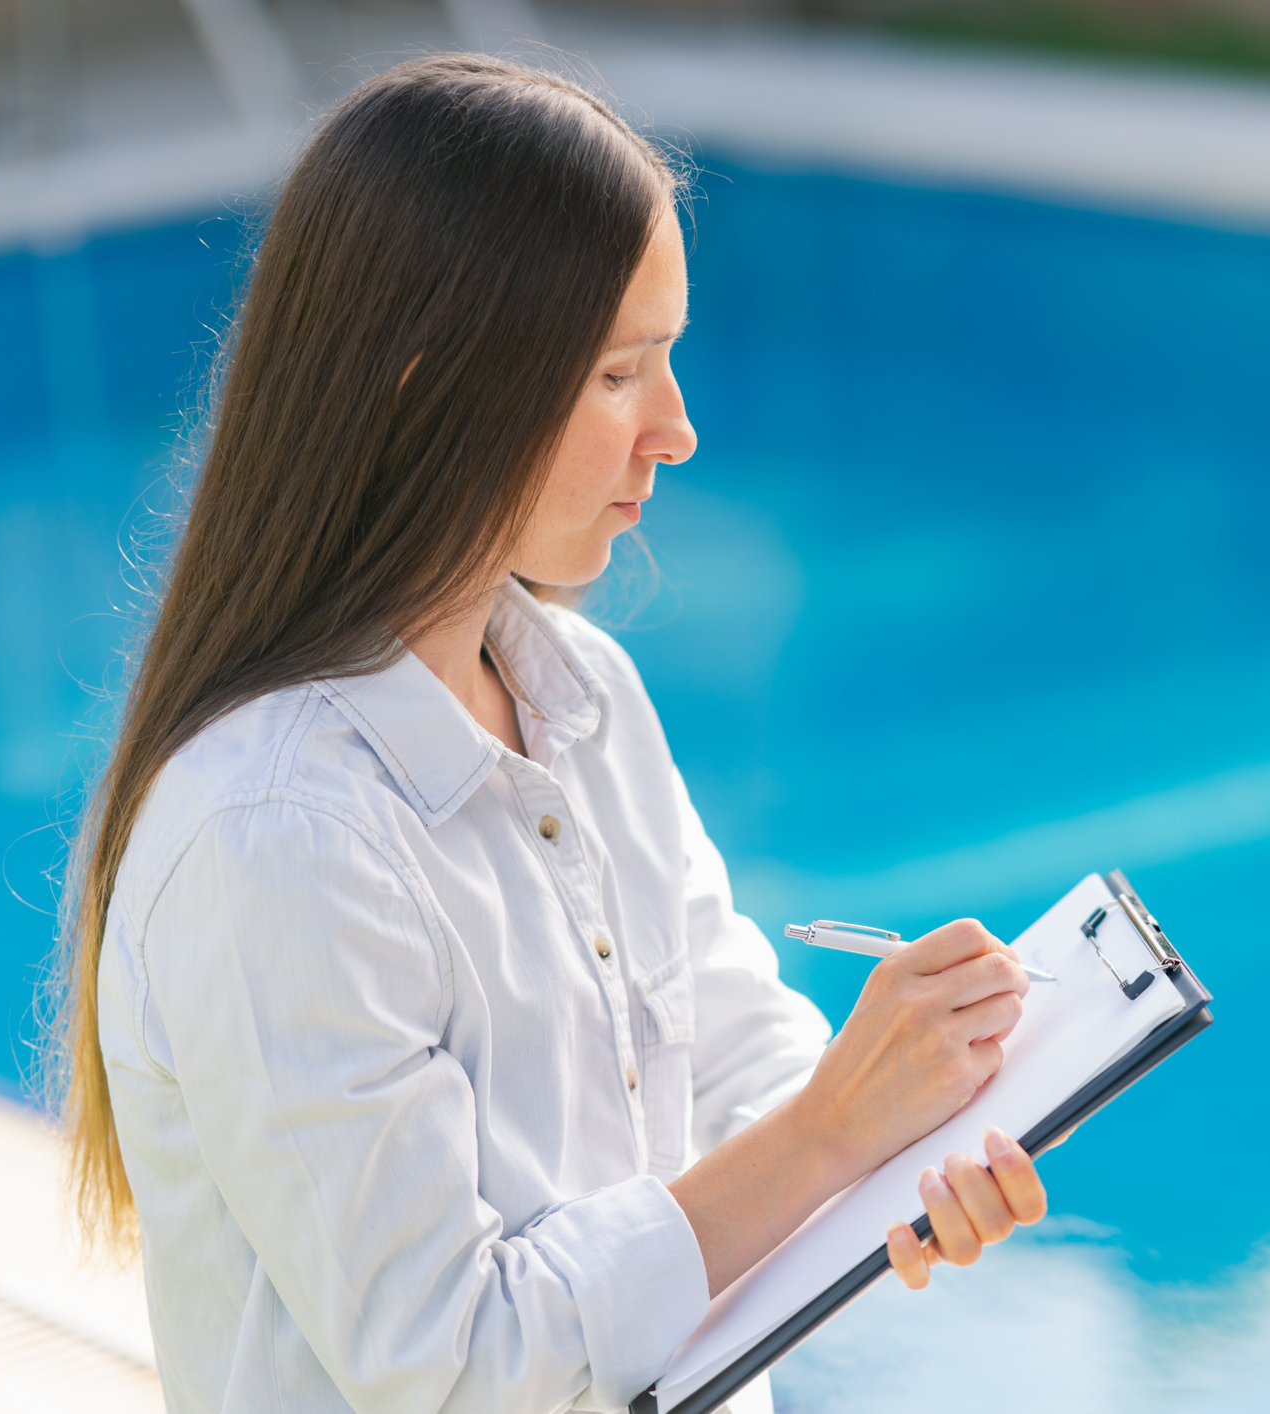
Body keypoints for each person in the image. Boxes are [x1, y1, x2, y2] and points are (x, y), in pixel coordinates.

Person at [55, 55, 1049, 1414]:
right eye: (616, 373)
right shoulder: (276, 834)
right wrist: (831, 1134)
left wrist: (905, 1145)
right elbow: (452, 1363)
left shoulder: (583, 696)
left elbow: (728, 1054)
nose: (678, 431)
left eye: (670, 360)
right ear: (426, 382)